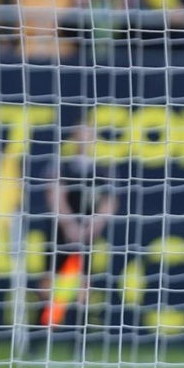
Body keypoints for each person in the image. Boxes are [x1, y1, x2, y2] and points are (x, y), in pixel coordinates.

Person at [39, 116, 117, 328]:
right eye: (80, 137)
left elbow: (109, 202)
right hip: (60, 231)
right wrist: (69, 224)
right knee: (50, 281)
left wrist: (93, 226)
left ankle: (80, 338)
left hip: (88, 233)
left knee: (84, 283)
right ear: (73, 140)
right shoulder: (62, 166)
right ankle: (42, 331)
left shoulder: (102, 170)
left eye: (88, 137)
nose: (84, 142)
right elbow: (55, 196)